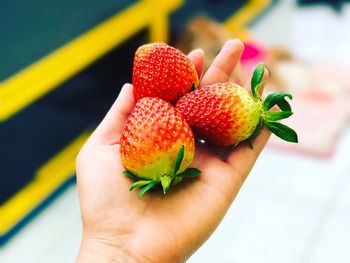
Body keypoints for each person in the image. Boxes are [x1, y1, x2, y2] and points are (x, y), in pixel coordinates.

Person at [75, 39, 270, 262]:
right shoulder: (177, 138)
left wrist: (115, 250)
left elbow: (158, 106)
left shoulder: (148, 135)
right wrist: (117, 247)